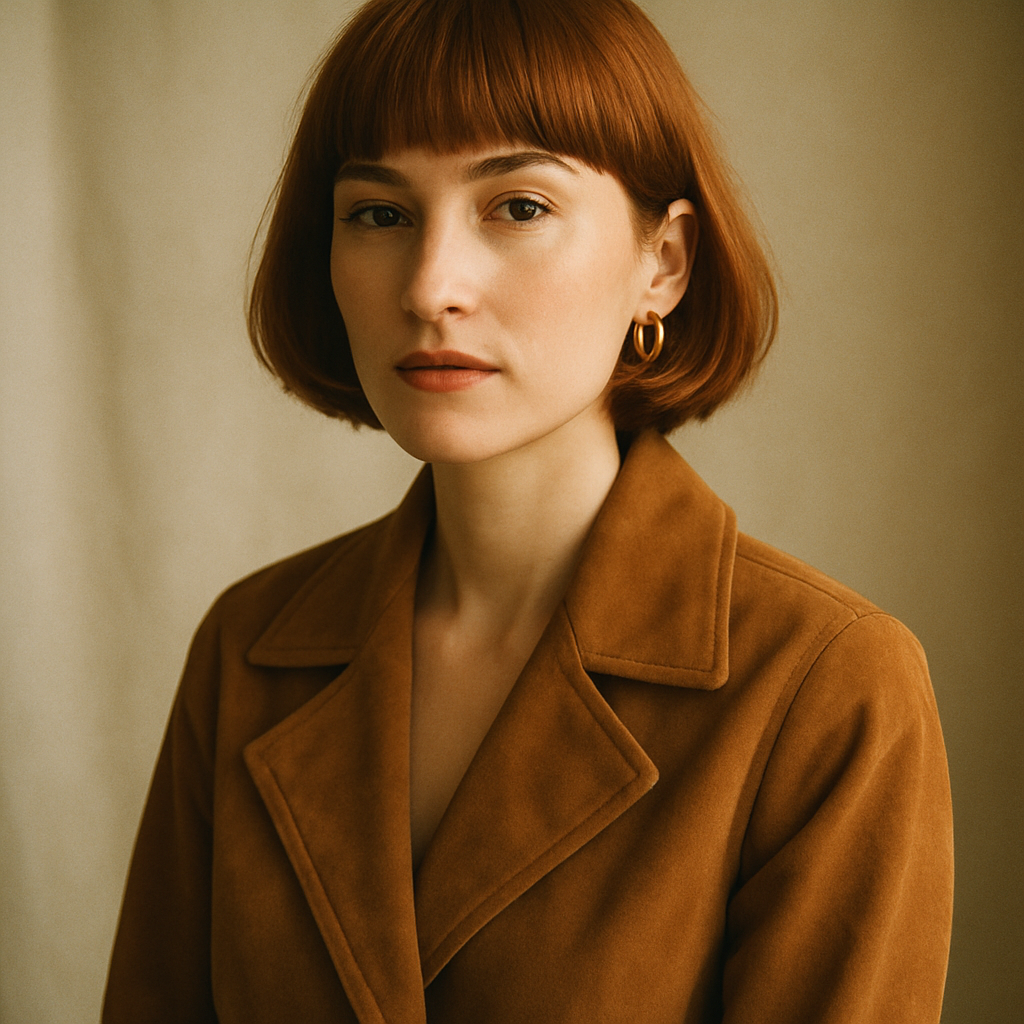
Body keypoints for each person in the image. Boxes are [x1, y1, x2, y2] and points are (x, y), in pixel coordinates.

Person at [102, 0, 953, 1021]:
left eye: (518, 206)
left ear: (663, 265)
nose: (430, 285)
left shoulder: (827, 685)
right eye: (379, 212)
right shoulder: (247, 651)